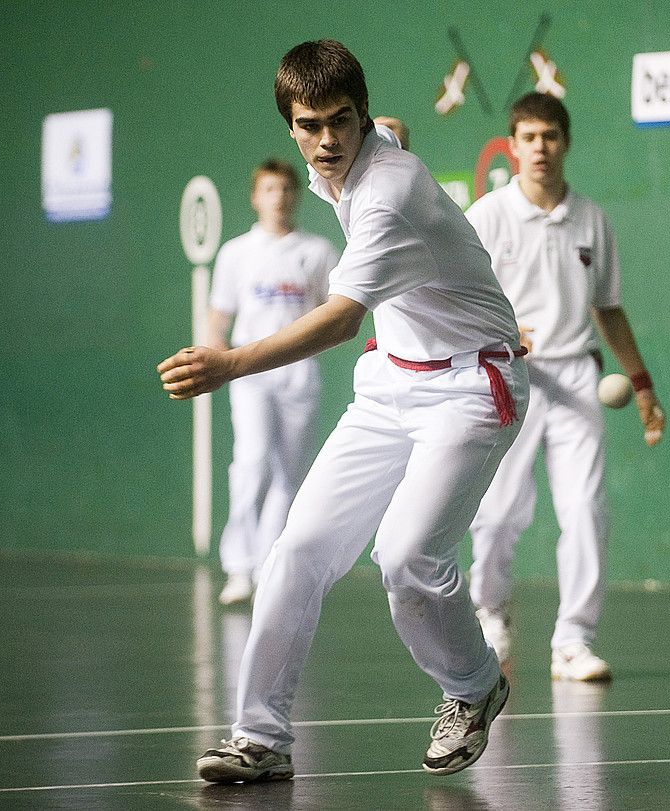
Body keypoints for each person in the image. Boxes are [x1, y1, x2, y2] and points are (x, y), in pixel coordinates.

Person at [159, 40, 529, 782]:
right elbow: (390, 132)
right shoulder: (357, 148)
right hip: (391, 380)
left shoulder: (388, 193)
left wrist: (230, 361)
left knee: (407, 556)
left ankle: (473, 686)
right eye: (310, 124)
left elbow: (335, 320)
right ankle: (259, 736)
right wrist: (384, 130)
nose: (327, 140)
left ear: (357, 114)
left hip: (468, 386)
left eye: (341, 121)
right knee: (296, 551)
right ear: (290, 127)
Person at [465, 92, 666, 682]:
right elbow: (457, 299)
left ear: (565, 143)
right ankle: (491, 613)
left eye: (550, 136)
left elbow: (610, 309)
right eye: (528, 138)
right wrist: (503, 331)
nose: (540, 148)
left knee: (584, 511)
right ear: (513, 146)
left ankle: (573, 640)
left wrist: (643, 384)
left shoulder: (591, 219)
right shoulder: (488, 216)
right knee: (499, 512)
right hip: (508, 373)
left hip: (579, 378)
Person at [207, 158, 338, 606]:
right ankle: (238, 567)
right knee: (252, 460)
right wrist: (213, 363)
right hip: (249, 373)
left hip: (299, 374)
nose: (278, 197)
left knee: (290, 471)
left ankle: (268, 568)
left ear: (296, 195)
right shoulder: (235, 253)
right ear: (255, 197)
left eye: (285, 189)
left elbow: (331, 311)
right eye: (268, 190)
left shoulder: (317, 251)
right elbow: (218, 317)